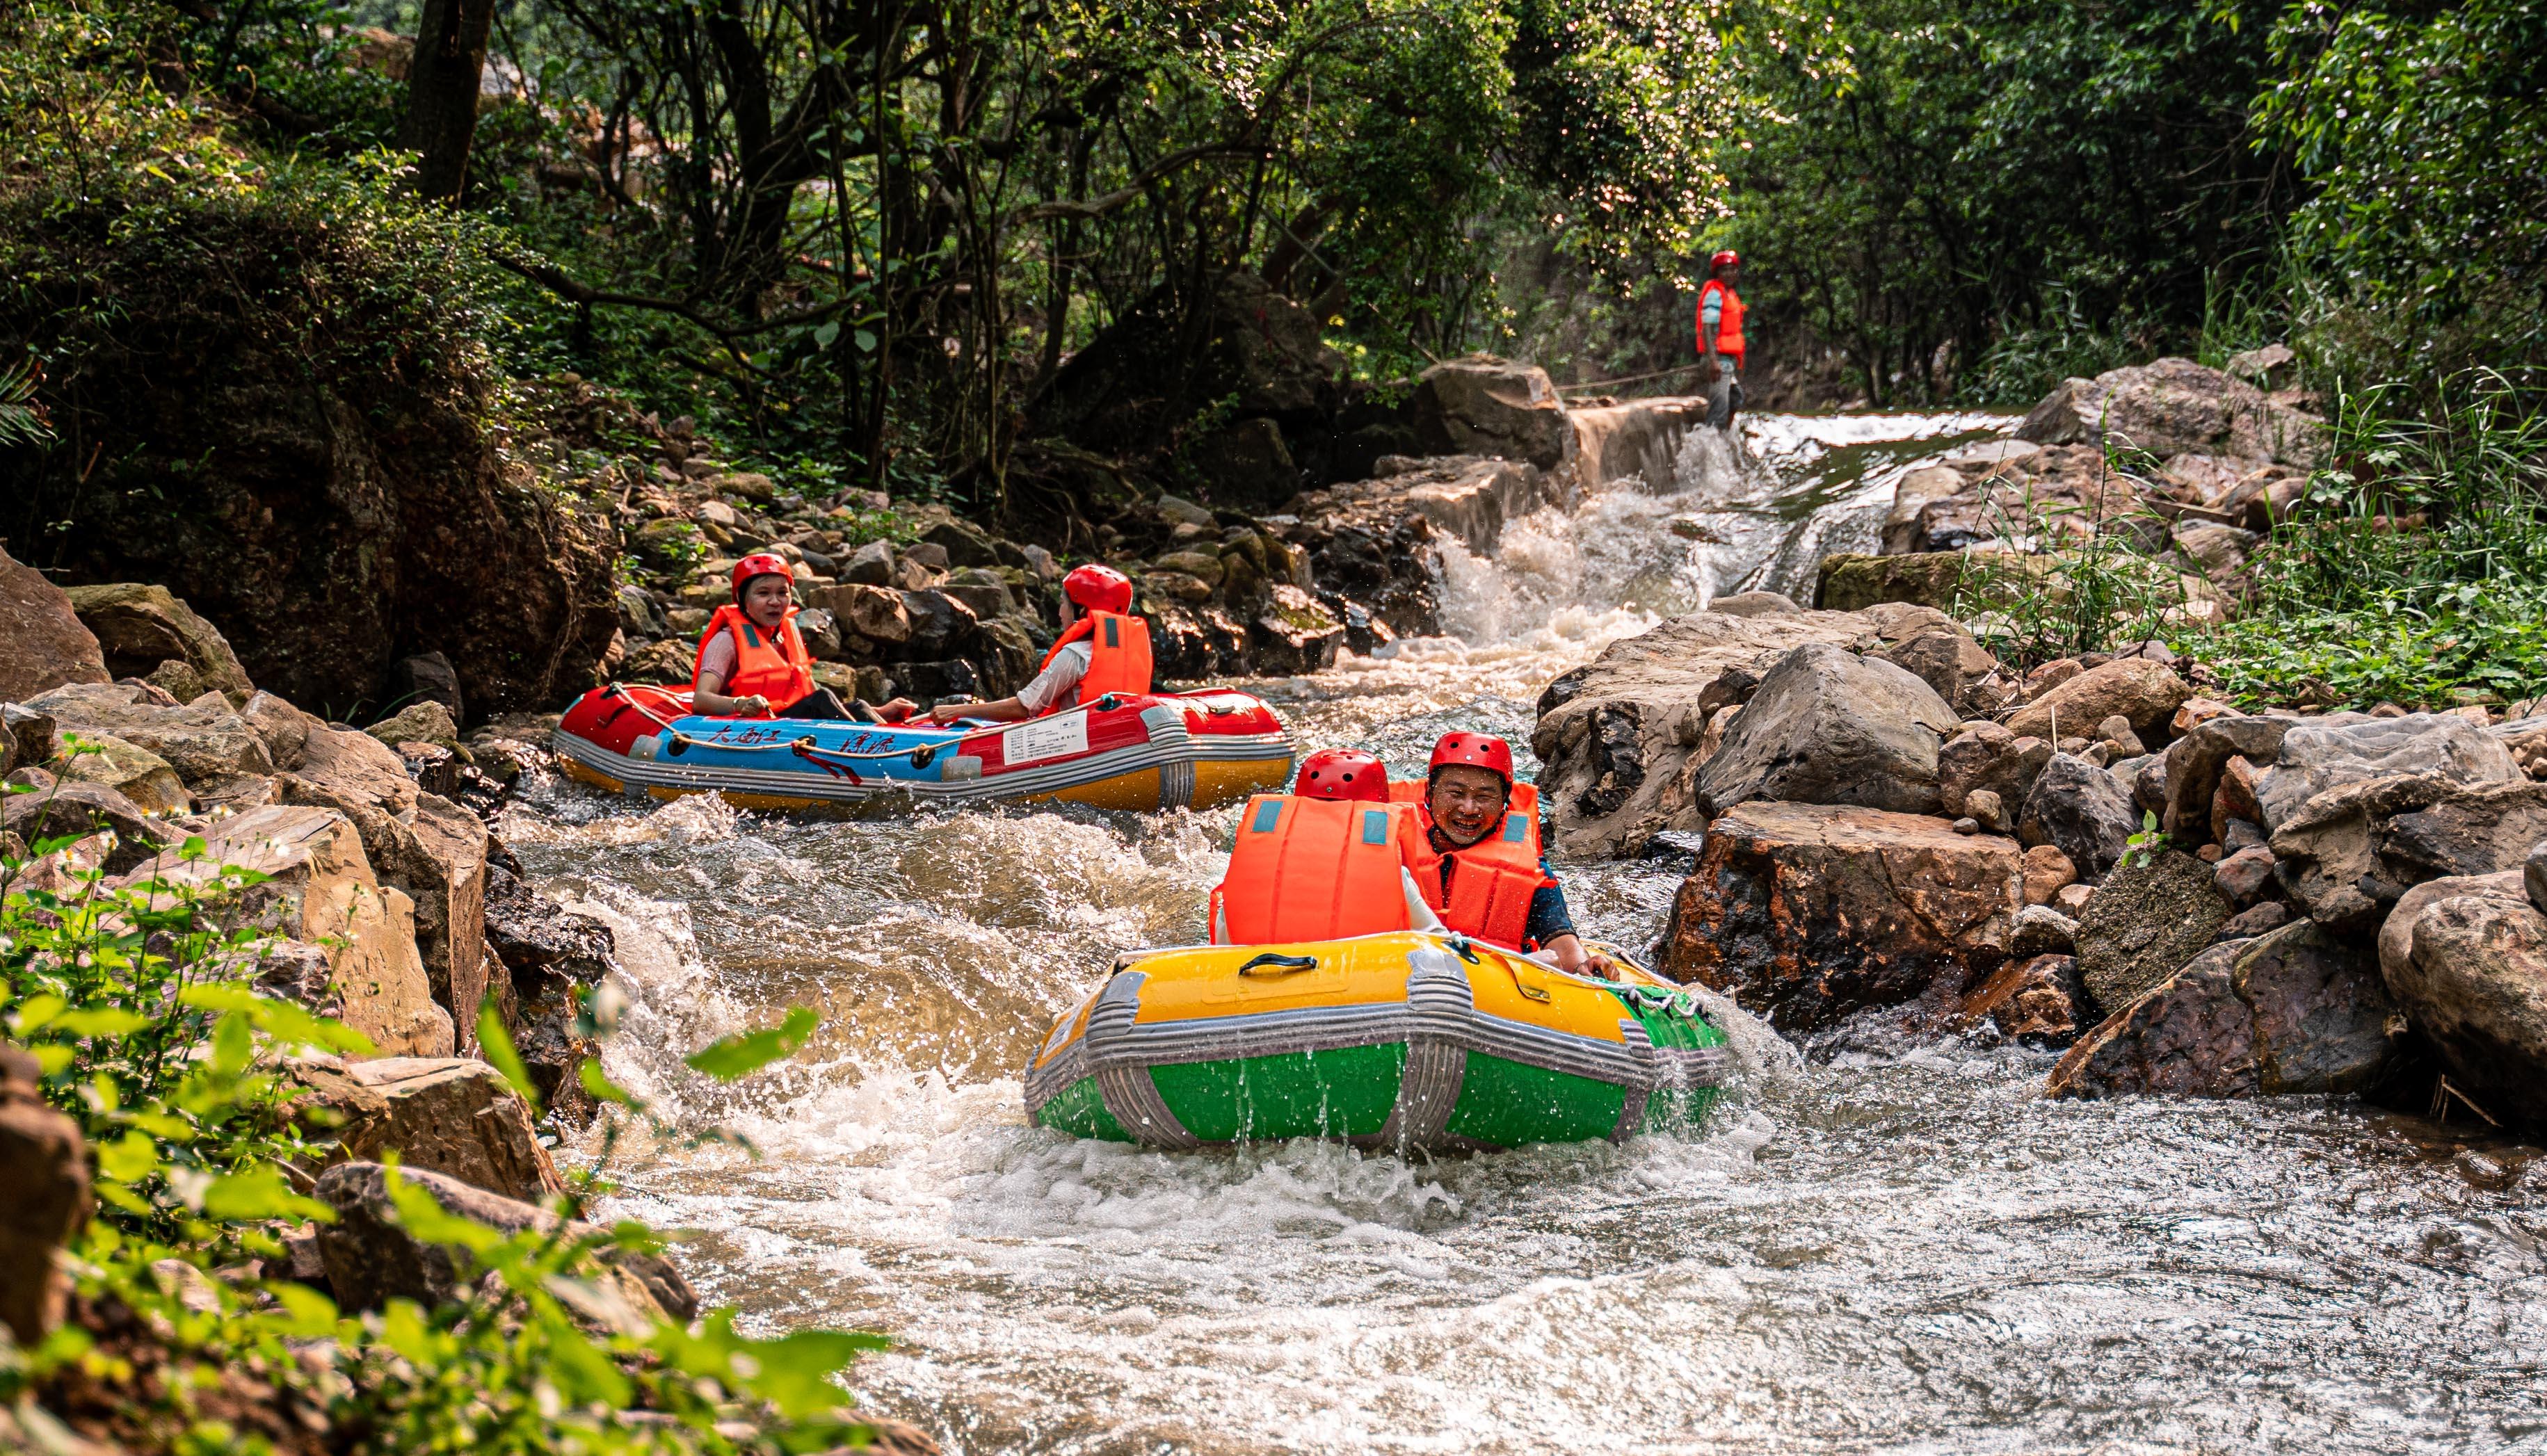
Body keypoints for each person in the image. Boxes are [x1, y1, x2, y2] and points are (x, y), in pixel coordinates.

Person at [1399, 732, 1615, 978]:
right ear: (1430, 793)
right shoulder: (1393, 850)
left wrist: (1581, 966)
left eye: (1484, 797)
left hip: (1493, 983)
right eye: (1456, 793)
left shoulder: (1531, 868)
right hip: (1408, 974)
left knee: (1549, 960)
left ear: (1505, 801)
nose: (1469, 809)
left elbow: (1558, 937)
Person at [879, 563, 1152, 725]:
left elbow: (1024, 707)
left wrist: (955, 711)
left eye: (1062, 603)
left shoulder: (1076, 655)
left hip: (1083, 746)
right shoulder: (1134, 653)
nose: (1059, 612)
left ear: (1081, 611)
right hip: (1114, 738)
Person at [691, 553, 857, 719]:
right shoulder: (726, 641)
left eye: (782, 593)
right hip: (754, 728)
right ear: (742, 598)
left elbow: (809, 691)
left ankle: (878, 735)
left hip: (788, 718)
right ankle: (864, 740)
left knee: (858, 706)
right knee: (822, 699)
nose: (775, 602)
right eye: (763, 593)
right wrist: (740, 704)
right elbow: (701, 700)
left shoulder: (785, 636)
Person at [1696, 250, 1746, 432]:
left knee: (1735, 399)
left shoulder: (1730, 294)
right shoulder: (1714, 294)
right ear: (1717, 273)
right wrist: (1713, 360)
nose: (1729, 274)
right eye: (1724, 270)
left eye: (1732, 269)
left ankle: (1723, 439)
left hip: (1728, 361)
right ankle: (1710, 445)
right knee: (1719, 410)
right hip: (1719, 360)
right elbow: (1707, 327)